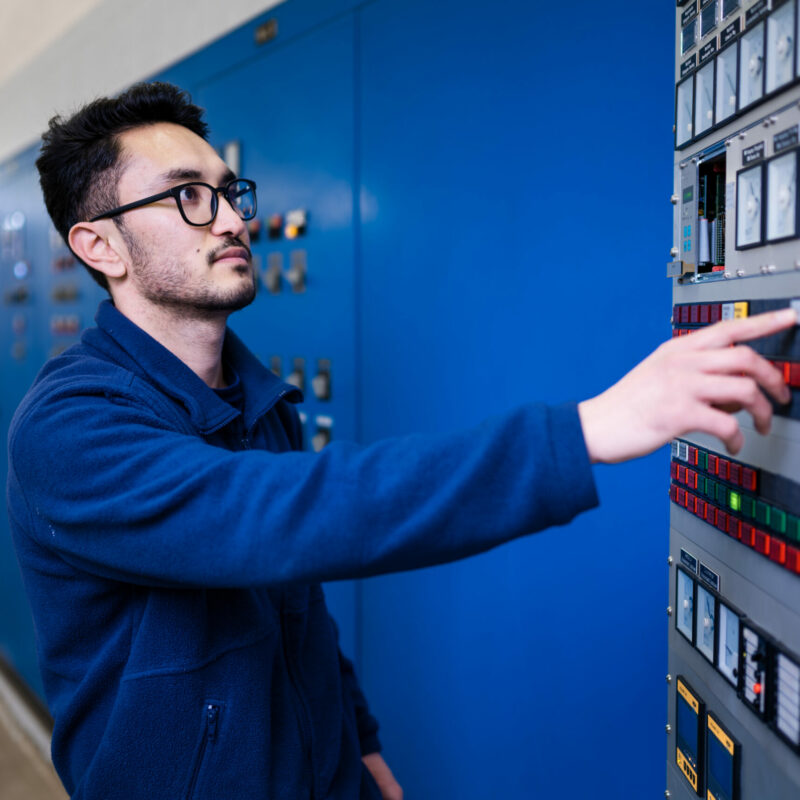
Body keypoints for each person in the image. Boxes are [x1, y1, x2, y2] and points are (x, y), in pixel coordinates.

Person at [6, 81, 796, 800]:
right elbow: (280, 517)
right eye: (187, 196)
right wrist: (586, 430)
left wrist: (359, 740)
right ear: (99, 246)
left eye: (228, 191)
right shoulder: (70, 426)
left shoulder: (254, 400)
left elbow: (297, 601)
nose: (233, 219)